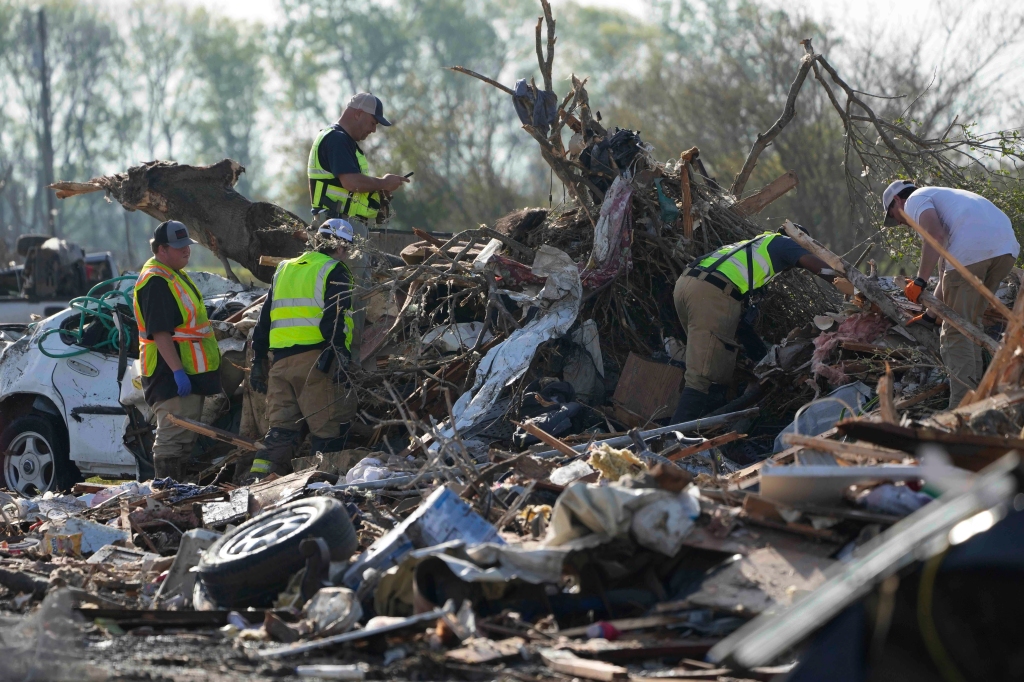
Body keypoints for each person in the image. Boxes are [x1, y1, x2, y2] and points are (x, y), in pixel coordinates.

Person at [671, 227, 845, 423]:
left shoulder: (752, 247)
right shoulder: (784, 243)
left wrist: (761, 357)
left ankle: (702, 427)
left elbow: (741, 327)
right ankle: (673, 440)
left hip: (687, 285)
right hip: (711, 294)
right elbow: (816, 266)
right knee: (703, 376)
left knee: (712, 362)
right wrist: (852, 287)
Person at [884, 180, 1020, 407]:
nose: (899, 222)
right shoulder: (948, 199)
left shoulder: (915, 199)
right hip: (1005, 251)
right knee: (970, 327)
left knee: (955, 334)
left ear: (897, 200)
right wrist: (930, 315)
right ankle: (980, 403)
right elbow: (947, 271)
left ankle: (961, 409)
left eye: (893, 215)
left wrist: (920, 281)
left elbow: (934, 237)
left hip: (972, 253)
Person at [247, 219, 360, 480]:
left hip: (280, 365)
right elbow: (337, 319)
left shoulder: (285, 269)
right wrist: (340, 357)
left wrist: (258, 360)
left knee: (280, 433)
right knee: (329, 432)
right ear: (342, 247)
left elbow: (265, 320)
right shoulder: (336, 270)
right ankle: (322, 489)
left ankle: (256, 485)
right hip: (316, 364)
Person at [307, 91, 410, 361]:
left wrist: (380, 195)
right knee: (352, 295)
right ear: (357, 113)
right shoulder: (337, 139)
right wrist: (383, 183)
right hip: (342, 231)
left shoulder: (341, 141)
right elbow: (351, 183)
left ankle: (341, 357)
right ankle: (346, 361)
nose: (374, 129)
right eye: (373, 122)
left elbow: (351, 191)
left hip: (343, 226)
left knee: (348, 293)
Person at [133, 221, 222, 481]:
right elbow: (160, 333)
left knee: (184, 438)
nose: (187, 251)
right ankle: (165, 496)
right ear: (161, 249)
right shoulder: (155, 281)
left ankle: (177, 495)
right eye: (179, 246)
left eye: (187, 246)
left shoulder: (172, 273)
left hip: (186, 370)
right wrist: (177, 372)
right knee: (172, 436)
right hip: (168, 373)